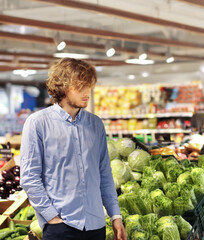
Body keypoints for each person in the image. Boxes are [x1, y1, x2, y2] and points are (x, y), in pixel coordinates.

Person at [20, 58, 127, 240]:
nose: (87, 93)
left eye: (89, 87)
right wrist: (52, 218)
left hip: (96, 225)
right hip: (61, 227)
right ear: (63, 87)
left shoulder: (96, 124)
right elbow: (30, 177)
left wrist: (115, 216)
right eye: (80, 87)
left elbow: (104, 174)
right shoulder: (38, 123)